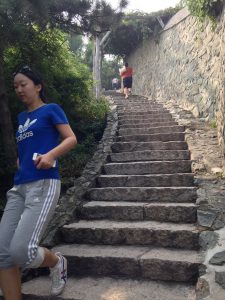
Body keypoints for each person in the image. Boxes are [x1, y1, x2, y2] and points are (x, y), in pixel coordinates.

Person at [0, 65, 77, 300]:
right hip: (19, 187)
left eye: (23, 84)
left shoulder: (51, 110)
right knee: (3, 252)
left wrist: (51, 155)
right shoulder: (22, 117)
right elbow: (24, 149)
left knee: (21, 251)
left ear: (38, 86)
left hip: (43, 184)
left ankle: (56, 262)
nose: (19, 89)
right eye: (15, 86)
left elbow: (71, 138)